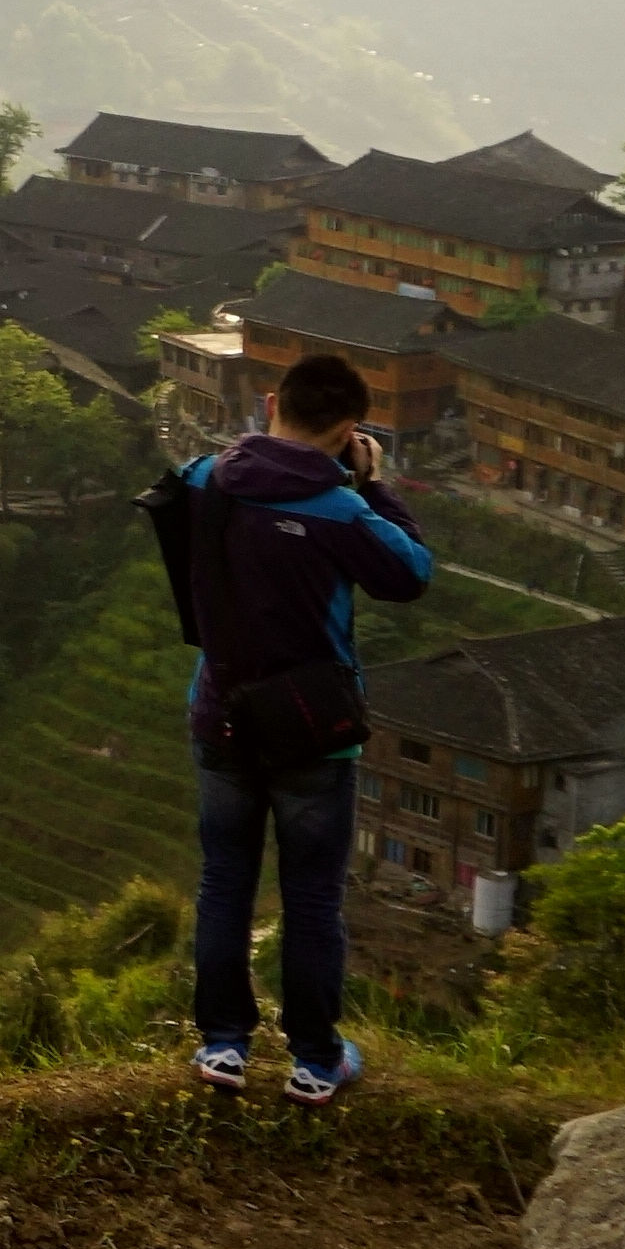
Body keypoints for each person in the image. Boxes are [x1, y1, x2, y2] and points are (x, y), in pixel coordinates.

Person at [172, 350, 428, 1105]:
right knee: (312, 896)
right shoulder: (343, 509)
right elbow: (410, 575)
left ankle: (222, 1046)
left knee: (224, 881)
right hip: (314, 729)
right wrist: (374, 484)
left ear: (269, 401)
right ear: (351, 430)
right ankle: (316, 1061)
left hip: (221, 709)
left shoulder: (200, 479)